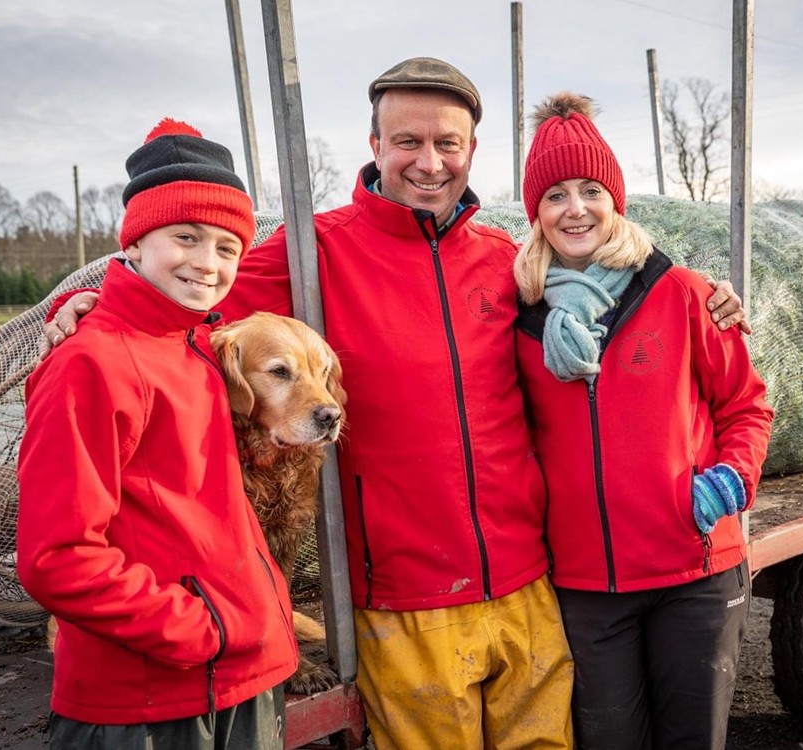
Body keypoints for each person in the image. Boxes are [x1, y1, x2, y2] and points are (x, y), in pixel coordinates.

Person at [39, 59, 748, 750]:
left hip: (527, 580)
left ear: (471, 151)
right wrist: (88, 301)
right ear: (376, 147)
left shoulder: (505, 258)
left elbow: (609, 285)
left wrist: (709, 293)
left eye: (448, 144)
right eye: (407, 141)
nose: (429, 162)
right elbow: (189, 294)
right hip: (406, 600)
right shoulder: (313, 253)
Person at [17, 119, 299, 750]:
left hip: (235, 677)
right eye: (185, 237)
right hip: (152, 703)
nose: (207, 262)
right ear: (137, 242)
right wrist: (207, 629)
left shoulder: (198, 343)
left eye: (228, 248)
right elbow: (56, 558)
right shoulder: (91, 364)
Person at [512, 92, 774, 750]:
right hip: (585, 585)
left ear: (615, 199)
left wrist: (730, 481)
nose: (575, 208)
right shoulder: (519, 315)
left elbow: (747, 403)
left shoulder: (683, 293)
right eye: (555, 195)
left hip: (693, 570)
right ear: (535, 212)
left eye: (591, 189)